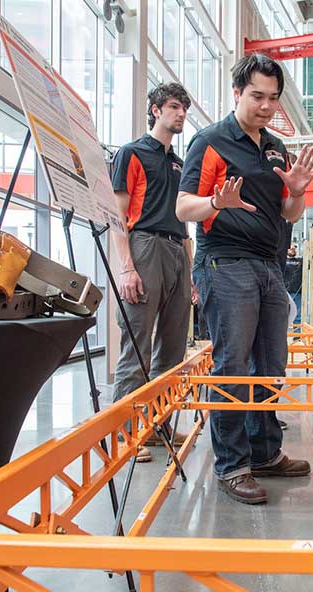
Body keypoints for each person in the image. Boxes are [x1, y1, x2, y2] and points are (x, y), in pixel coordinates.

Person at [177, 54, 313, 504]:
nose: (266, 106)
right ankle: (232, 465)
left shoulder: (277, 147)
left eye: (273, 99)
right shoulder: (210, 142)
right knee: (232, 367)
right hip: (224, 262)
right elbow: (184, 208)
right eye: (257, 96)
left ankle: (264, 452)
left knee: (270, 365)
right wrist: (217, 204)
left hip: (270, 265)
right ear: (237, 92)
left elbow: (289, 213)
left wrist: (296, 193)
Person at [110, 83, 194, 462]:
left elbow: (185, 218)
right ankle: (125, 433)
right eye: (175, 106)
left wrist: (190, 272)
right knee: (138, 344)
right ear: (156, 109)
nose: (181, 114)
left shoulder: (180, 163)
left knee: (173, 348)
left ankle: (158, 424)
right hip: (144, 246)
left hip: (178, 248)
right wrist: (127, 267)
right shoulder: (131, 153)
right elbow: (116, 215)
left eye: (184, 109)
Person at [284, 242, 303, 326]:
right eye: (290, 248)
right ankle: (282, 337)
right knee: (283, 315)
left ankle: (297, 338)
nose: (292, 249)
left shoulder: (300, 261)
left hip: (297, 292)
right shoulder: (282, 261)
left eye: (294, 247)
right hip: (285, 293)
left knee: (298, 317)